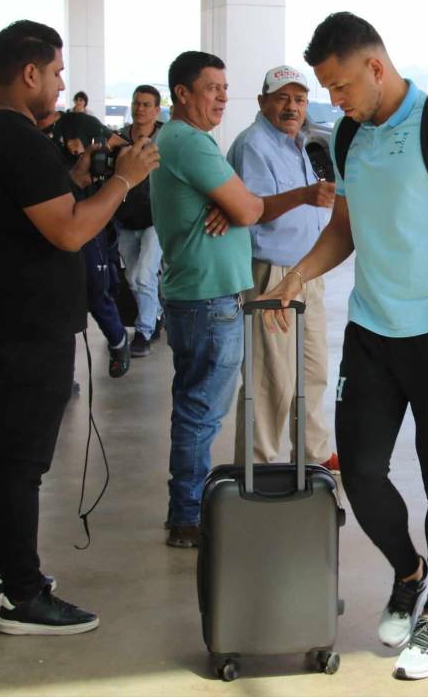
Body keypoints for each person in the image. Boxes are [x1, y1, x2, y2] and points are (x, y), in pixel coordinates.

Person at [261, 12, 428, 680]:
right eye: (326, 90)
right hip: (371, 335)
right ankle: (409, 572)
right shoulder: (347, 135)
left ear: (374, 67)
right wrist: (296, 276)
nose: (331, 101)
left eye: (339, 86)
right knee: (362, 476)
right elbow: (345, 227)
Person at [0, 20, 158, 635]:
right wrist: (124, 180)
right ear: (31, 72)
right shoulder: (16, 140)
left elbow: (45, 208)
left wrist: (87, 175)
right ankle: (23, 595)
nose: (63, 85)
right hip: (26, 328)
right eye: (59, 72)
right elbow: (68, 229)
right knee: (20, 463)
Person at [150, 51, 264, 549]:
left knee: (192, 406)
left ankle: (185, 508)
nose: (222, 95)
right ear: (182, 93)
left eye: (225, 86)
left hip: (194, 294)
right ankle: (188, 516)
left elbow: (241, 207)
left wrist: (235, 206)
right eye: (211, 87)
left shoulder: (178, 141)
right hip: (210, 299)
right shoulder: (190, 143)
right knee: (200, 411)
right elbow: (249, 206)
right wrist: (237, 205)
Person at [227, 65, 338, 471]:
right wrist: (306, 195)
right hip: (271, 273)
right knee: (271, 379)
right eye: (282, 98)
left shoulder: (298, 143)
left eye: (300, 99)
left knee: (313, 372)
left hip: (308, 271)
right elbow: (253, 210)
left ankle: (313, 457)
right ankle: (259, 470)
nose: (292, 107)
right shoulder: (254, 144)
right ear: (263, 102)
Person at [38, 108, 131, 377]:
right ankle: (63, 373)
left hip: (86, 216)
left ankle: (117, 339)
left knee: (94, 288)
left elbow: (120, 146)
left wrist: (91, 150)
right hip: (48, 222)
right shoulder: (25, 133)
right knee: (57, 295)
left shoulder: (77, 122)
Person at [114, 85, 166, 357]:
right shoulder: (119, 138)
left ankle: (144, 332)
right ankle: (156, 313)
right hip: (126, 219)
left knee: (143, 275)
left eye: (146, 104)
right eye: (137, 103)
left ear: (157, 110)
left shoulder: (166, 139)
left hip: (156, 219)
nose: (140, 108)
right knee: (133, 278)